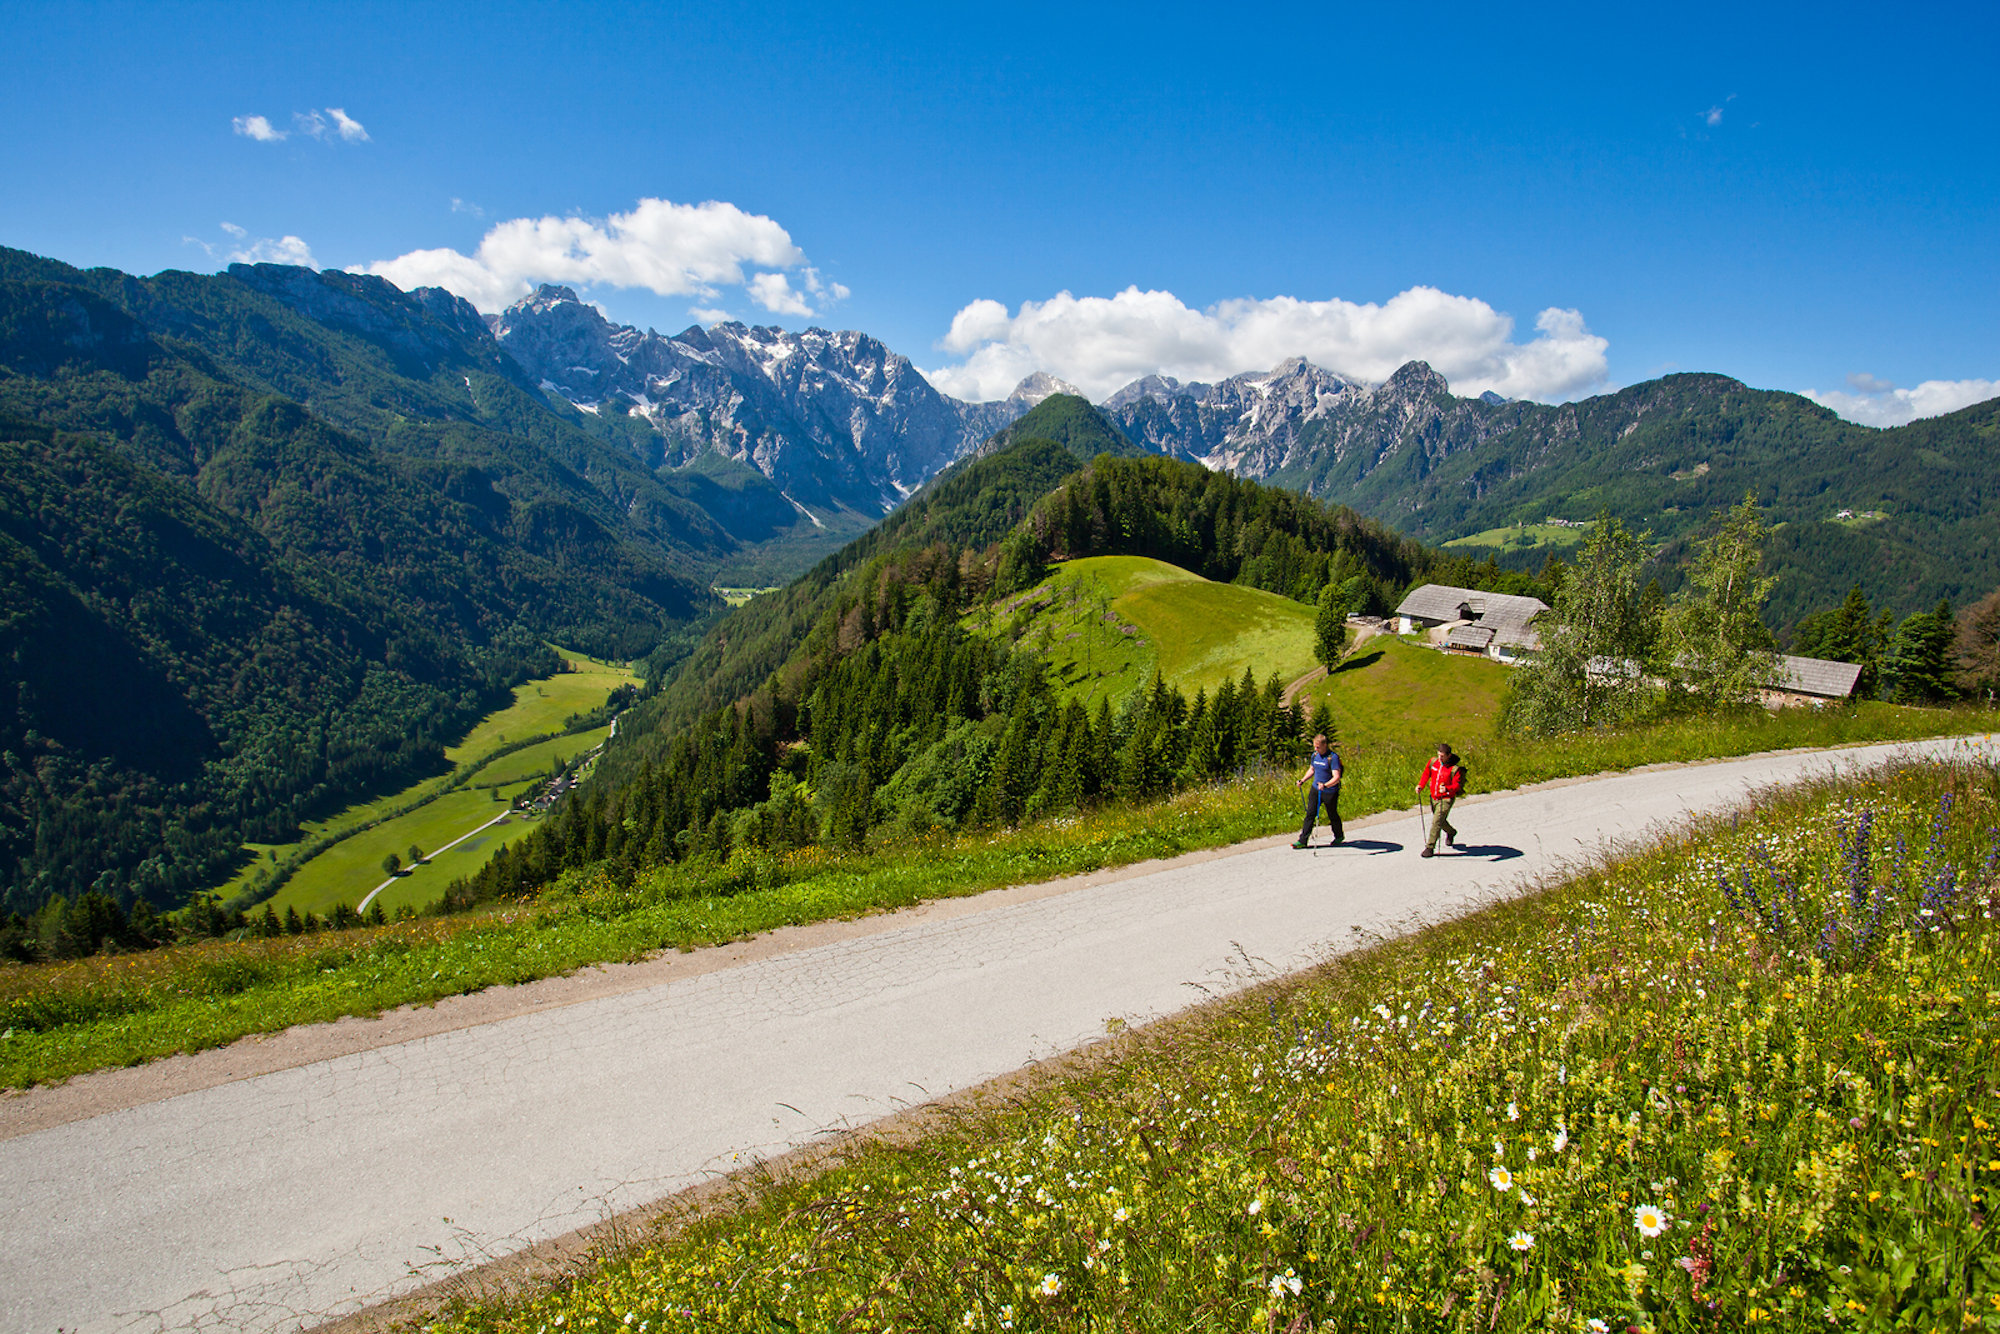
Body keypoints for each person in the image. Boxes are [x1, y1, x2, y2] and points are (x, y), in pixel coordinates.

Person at [1292, 733, 1343, 848]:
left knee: (1332, 814)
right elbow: (1312, 769)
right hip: (1316, 789)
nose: (1316, 749)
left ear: (1325, 745)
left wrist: (1325, 785)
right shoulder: (1315, 755)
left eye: (1318, 747)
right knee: (1310, 814)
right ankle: (1302, 841)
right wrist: (1303, 780)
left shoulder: (1332, 758)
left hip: (1329, 792)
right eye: (1315, 746)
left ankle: (1339, 836)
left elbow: (1336, 777)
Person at [1417, 742, 1465, 857]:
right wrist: (1420, 785)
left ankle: (1429, 847)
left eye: (1442, 756)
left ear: (1449, 755)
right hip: (1434, 797)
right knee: (1440, 821)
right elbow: (1426, 774)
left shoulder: (1455, 769)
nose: (1440, 758)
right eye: (1439, 755)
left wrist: (1447, 789)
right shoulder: (1433, 762)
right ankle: (1451, 832)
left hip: (1446, 799)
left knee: (1436, 822)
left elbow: (1457, 786)